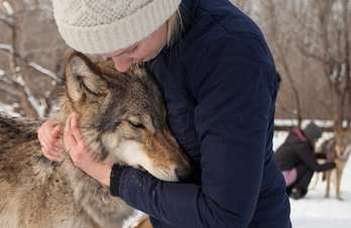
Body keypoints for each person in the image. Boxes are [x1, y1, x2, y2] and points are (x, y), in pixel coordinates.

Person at [38, 0, 292, 227]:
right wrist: (66, 124)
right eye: (108, 54)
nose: (121, 65)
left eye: (130, 47)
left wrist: (109, 175)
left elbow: (223, 216)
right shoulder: (148, 44)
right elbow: (115, 106)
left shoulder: (231, 55)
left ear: (157, 12)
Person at [275, 122, 336, 200]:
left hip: (276, 175)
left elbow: (307, 156)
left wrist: (324, 156)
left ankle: (290, 188)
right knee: (309, 167)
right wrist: (334, 164)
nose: (316, 141)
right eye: (316, 139)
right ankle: (297, 191)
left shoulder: (295, 138)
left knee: (307, 163)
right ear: (311, 136)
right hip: (282, 178)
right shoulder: (301, 145)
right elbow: (316, 167)